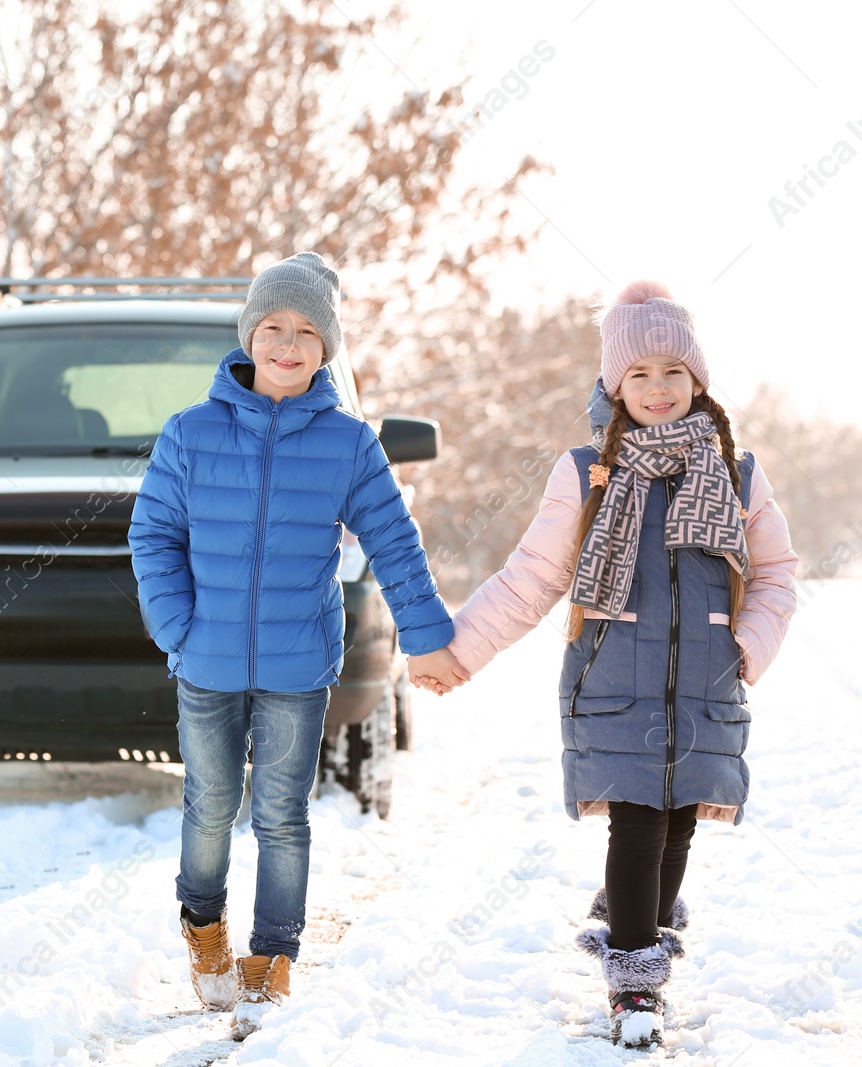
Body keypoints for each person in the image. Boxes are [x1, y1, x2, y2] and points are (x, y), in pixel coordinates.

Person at [440, 281, 798, 1047]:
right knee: (638, 823)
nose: (658, 389)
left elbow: (776, 572)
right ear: (614, 385)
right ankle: (635, 986)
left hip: (705, 685)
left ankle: (637, 925)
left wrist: (747, 647)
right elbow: (533, 576)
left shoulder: (736, 474)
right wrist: (461, 648)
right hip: (613, 684)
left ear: (697, 380)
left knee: (676, 827)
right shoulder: (587, 474)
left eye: (673, 371)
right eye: (639, 375)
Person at [129, 252, 468, 1039]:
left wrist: (425, 637)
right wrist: (175, 625)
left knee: (282, 813)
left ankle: (273, 955)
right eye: (274, 326)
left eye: (308, 331)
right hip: (205, 660)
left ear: (328, 349)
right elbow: (153, 534)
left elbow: (394, 540)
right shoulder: (190, 433)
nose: (288, 343)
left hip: (297, 666)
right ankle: (203, 924)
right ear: (250, 334)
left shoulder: (350, 445)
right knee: (210, 804)